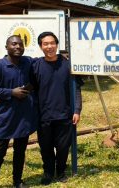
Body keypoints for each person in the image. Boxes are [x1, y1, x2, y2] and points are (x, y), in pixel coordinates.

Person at [0, 35, 37, 188]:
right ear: (6, 47)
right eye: (14, 44)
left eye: (20, 44)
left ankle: (17, 181)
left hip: (24, 116)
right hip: (5, 116)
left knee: (20, 151)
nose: (18, 47)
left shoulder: (28, 62)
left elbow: (42, 64)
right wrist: (11, 93)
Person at [30, 31, 83, 185]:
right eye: (45, 44)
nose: (49, 46)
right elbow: (32, 90)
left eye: (52, 43)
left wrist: (77, 110)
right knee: (45, 147)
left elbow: (76, 89)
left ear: (57, 44)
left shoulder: (67, 65)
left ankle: (60, 172)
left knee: (63, 147)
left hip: (64, 114)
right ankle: (48, 172)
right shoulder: (36, 66)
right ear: (41, 46)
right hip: (44, 116)